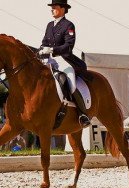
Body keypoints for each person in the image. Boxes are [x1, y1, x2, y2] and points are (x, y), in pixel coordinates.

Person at [39, 0, 90, 128]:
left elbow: (69, 46)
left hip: (64, 59)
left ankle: (82, 114)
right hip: (49, 59)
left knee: (71, 85)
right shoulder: (49, 25)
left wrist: (52, 50)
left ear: (62, 9)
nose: (52, 9)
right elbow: (44, 41)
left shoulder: (69, 25)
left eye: (54, 7)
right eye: (52, 7)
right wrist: (41, 49)